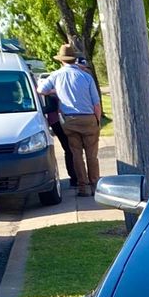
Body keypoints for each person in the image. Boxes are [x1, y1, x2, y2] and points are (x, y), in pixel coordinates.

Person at [37, 43, 102, 196]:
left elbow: (41, 90)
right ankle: (95, 185)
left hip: (70, 119)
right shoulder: (86, 77)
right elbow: (96, 104)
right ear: (74, 59)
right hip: (89, 118)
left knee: (76, 154)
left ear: (61, 60)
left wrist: (55, 90)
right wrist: (97, 121)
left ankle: (82, 187)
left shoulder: (56, 75)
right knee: (92, 155)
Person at [41, 91, 76, 187]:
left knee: (69, 150)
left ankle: (74, 177)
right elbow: (52, 107)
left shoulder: (51, 91)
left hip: (56, 122)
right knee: (70, 150)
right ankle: (75, 177)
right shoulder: (53, 92)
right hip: (60, 122)